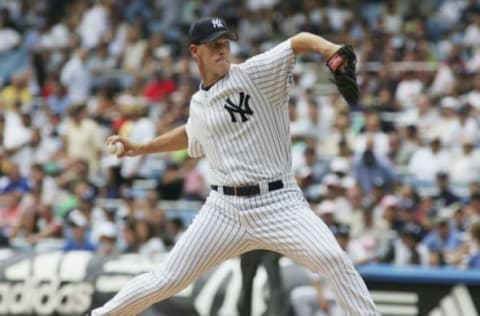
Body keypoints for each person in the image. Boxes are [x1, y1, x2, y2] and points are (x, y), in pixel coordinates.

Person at [92, 17, 378, 316]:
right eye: (214, 46)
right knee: (167, 279)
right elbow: (192, 133)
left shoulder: (255, 74)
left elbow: (298, 41)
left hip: (278, 202)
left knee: (334, 259)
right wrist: (142, 148)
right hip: (224, 209)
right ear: (195, 51)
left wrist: (330, 49)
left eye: (225, 44)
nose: (222, 51)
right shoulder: (199, 103)